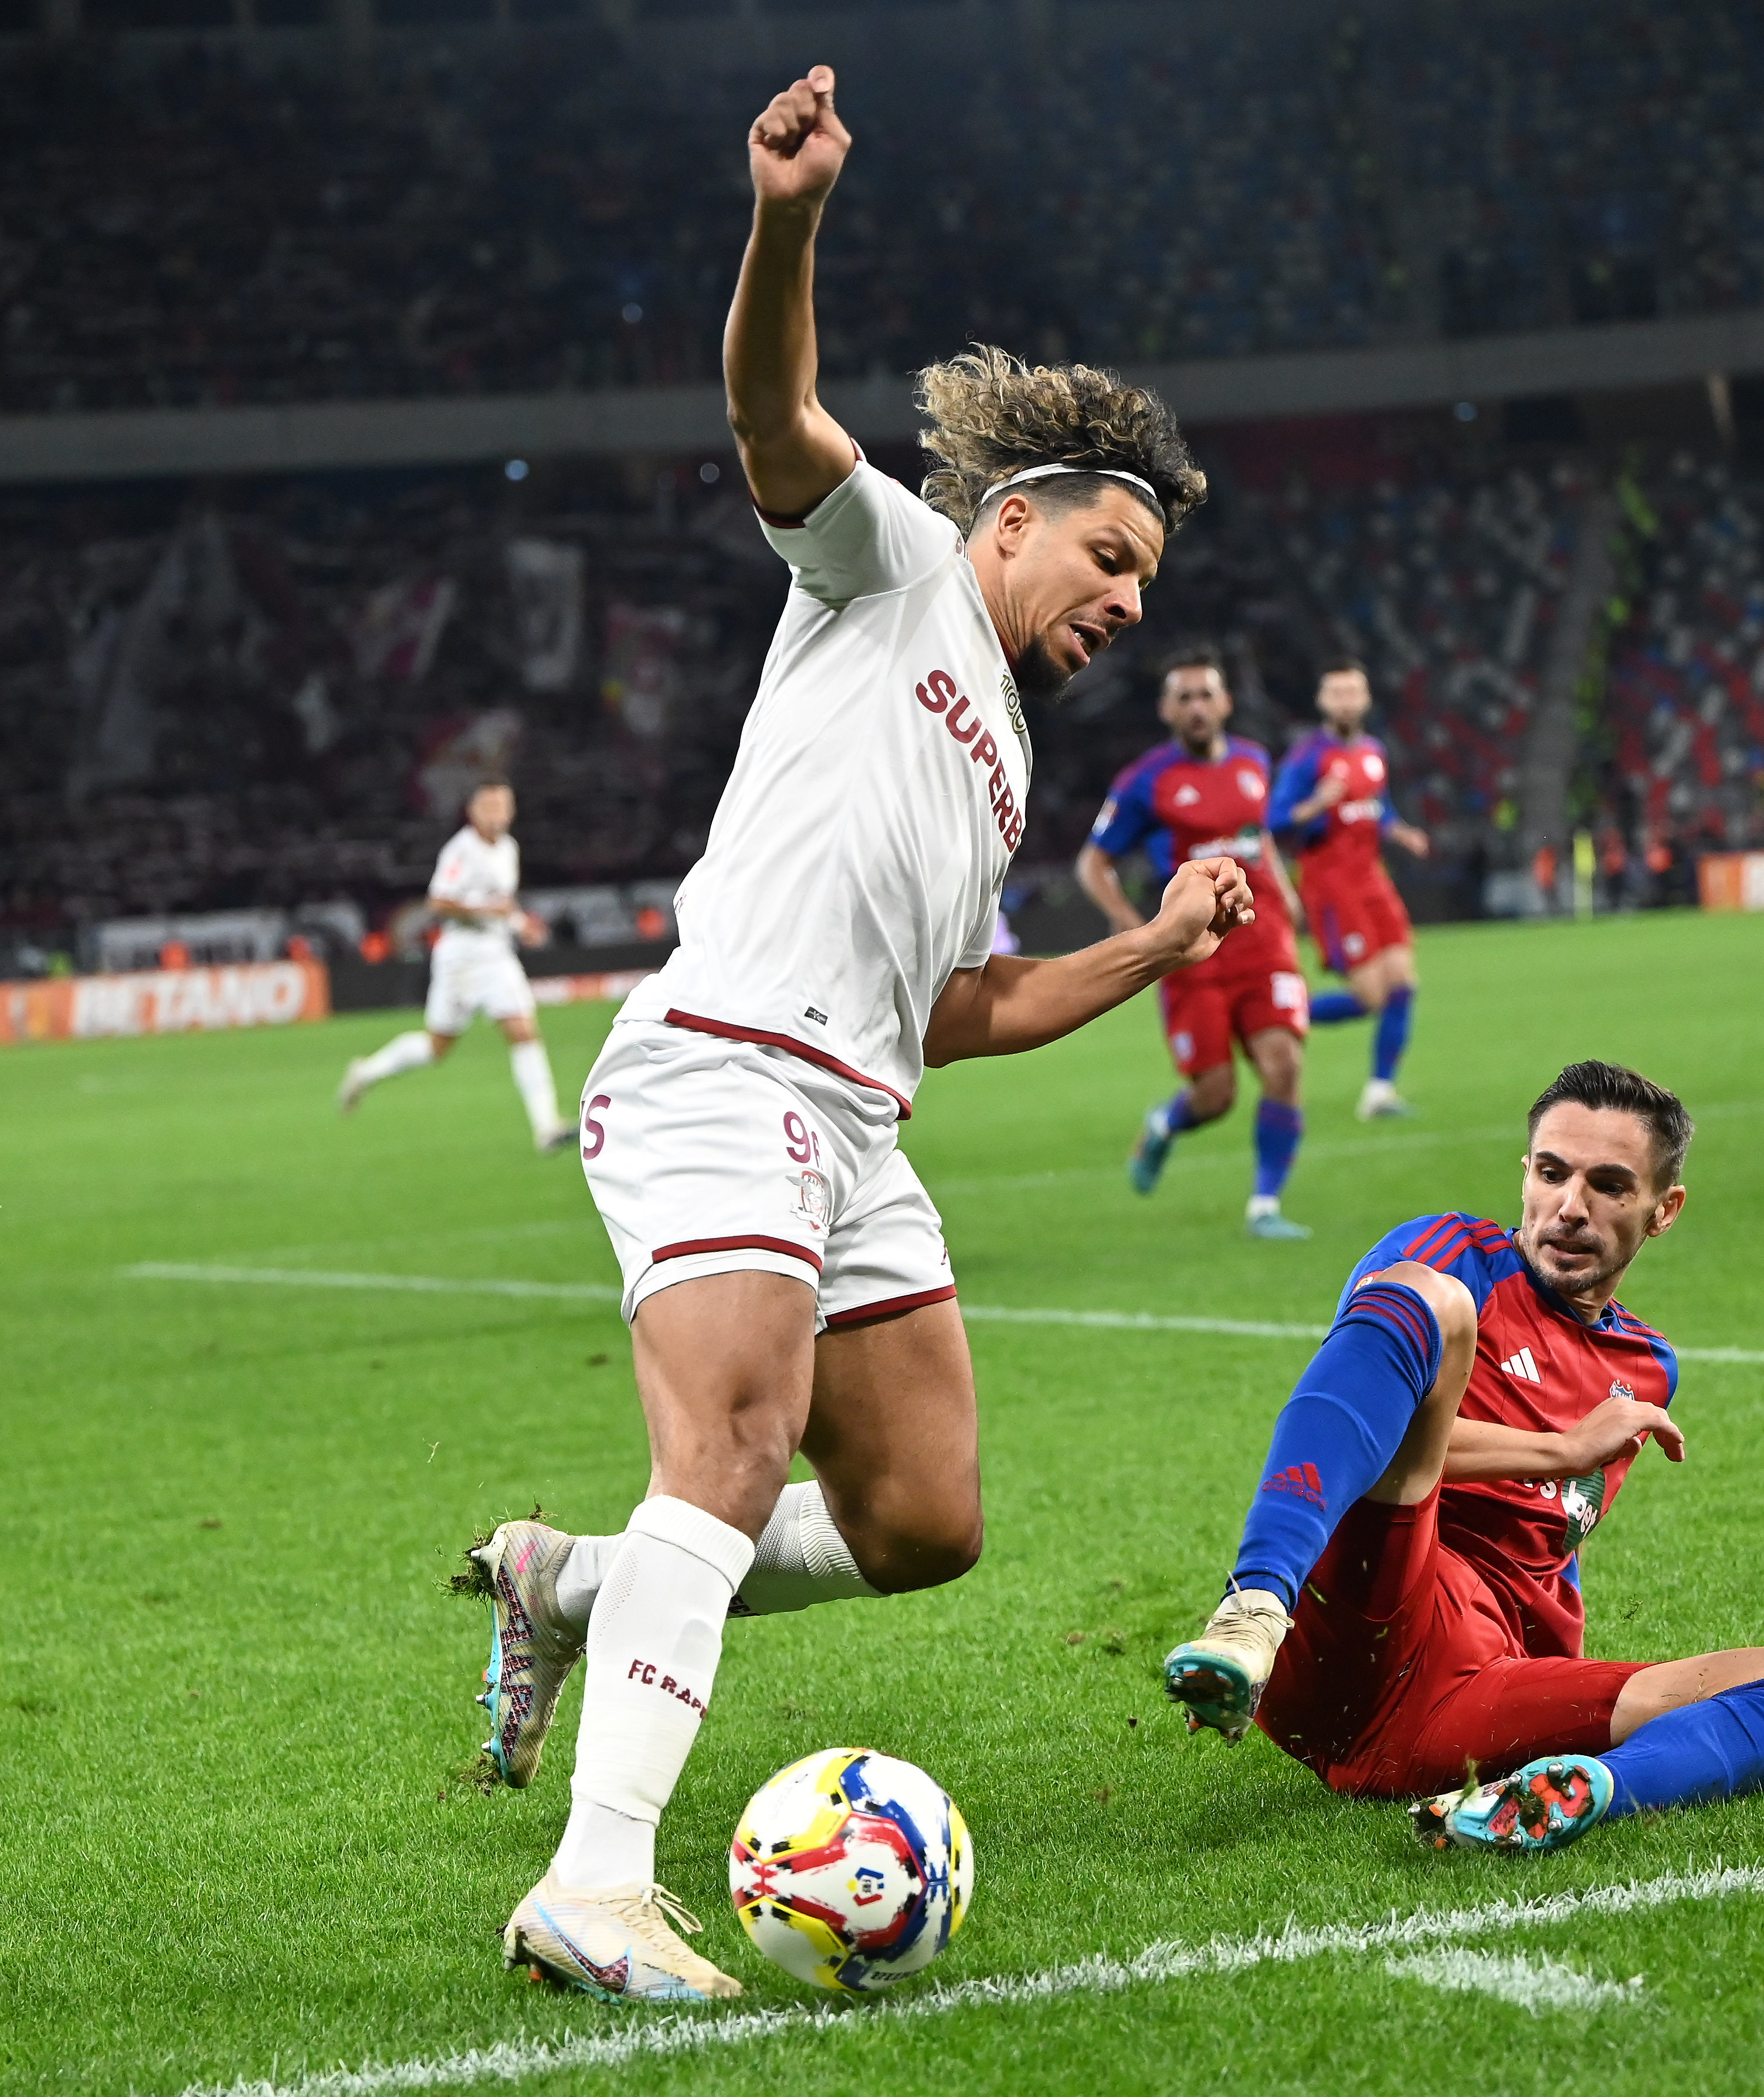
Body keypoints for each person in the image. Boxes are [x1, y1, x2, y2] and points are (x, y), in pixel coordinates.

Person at [466, 63, 1249, 2006]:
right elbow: (769, 416)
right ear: (1009, 519)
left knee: (921, 1521)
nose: (1123, 612)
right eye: (1110, 564)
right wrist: (788, 217)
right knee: (727, 1448)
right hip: (721, 1064)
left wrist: (1151, 943)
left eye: (1140, 591)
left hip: (856, 1123)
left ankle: (573, 1579)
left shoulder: (989, 774)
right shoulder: (888, 559)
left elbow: (954, 1009)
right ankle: (594, 1880)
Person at [1162, 1060, 1764, 1855]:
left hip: (1469, 1704)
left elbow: (1551, 1540)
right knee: (1432, 1301)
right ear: (1523, 1173)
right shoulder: (1454, 1254)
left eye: (1608, 1186)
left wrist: (1561, 1684)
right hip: (1367, 1619)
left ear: (1663, 1211)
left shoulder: (1644, 1365)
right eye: (1551, 1173)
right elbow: (1361, 1437)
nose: (1569, 1207)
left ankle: (1579, 1791)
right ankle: (1251, 1609)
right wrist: (1560, 1448)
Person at [1077, 653, 1314, 1238]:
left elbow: (1260, 840)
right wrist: (1134, 925)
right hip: (1196, 952)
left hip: (1264, 939)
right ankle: (1163, 1125)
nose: (1196, 707)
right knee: (1216, 1096)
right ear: (1166, 711)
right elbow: (1094, 863)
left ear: (1226, 702)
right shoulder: (1146, 781)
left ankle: (1265, 1206)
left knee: (1283, 1066)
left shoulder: (1256, 762)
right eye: (1183, 698)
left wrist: (1286, 893)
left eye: (1206, 694)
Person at [338, 780, 570, 1151]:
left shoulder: (509, 848)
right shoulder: (460, 851)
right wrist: (487, 911)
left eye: (502, 807)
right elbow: (439, 903)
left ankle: (546, 1127)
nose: (497, 815)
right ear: (473, 812)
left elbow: (503, 904)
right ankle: (366, 1072)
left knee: (524, 1030)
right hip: (460, 958)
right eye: (489, 807)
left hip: (496, 954)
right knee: (437, 1047)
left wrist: (521, 924)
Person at [1270, 657, 1430, 1120]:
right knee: (1371, 998)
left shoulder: (1372, 751)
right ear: (1322, 701)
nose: (1345, 701)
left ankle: (1379, 1092)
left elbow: (1377, 806)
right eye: (1336, 693)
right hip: (1331, 885)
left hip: (1373, 880)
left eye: (1352, 692)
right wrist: (1318, 801)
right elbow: (1274, 819)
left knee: (1403, 985)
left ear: (1365, 699)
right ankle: (1275, 1015)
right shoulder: (1306, 758)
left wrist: (1401, 834)